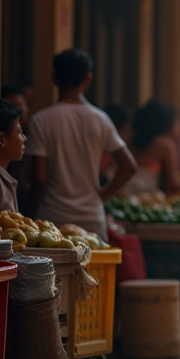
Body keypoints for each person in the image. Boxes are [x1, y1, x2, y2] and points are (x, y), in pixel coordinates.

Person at [27, 49, 137, 239]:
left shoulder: (41, 120)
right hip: (91, 218)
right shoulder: (100, 119)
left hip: (52, 221)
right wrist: (103, 194)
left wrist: (28, 211)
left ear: (54, 78)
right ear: (88, 78)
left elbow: (39, 179)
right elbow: (129, 166)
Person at [124, 99, 180, 196]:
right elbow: (173, 184)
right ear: (167, 122)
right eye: (176, 119)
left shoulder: (131, 140)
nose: (178, 125)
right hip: (149, 200)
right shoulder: (166, 145)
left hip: (125, 196)